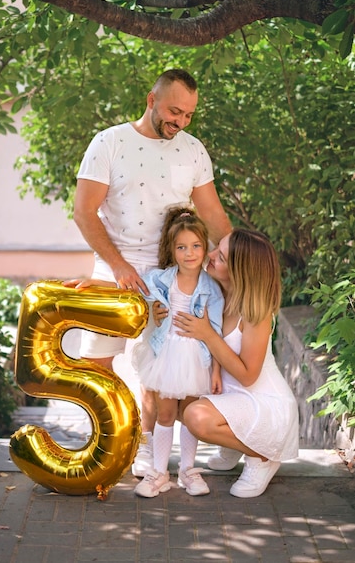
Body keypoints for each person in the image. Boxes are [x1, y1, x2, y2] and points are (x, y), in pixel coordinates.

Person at [65, 68, 232, 477]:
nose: (181, 121)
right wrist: (118, 265)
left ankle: (145, 450)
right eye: (175, 110)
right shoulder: (109, 142)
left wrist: (241, 260)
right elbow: (84, 211)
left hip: (169, 273)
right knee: (99, 364)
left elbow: (210, 212)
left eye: (189, 114)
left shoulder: (193, 150)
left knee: (156, 369)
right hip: (114, 267)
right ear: (151, 99)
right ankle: (103, 444)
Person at [169, 228, 299, 498]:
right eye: (218, 248)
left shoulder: (256, 313)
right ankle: (235, 444)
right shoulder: (215, 293)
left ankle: (261, 455)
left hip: (264, 404)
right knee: (177, 401)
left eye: (222, 258)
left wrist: (207, 333)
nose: (211, 255)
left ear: (241, 271)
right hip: (232, 398)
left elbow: (248, 375)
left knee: (195, 416)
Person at [131, 207, 224, 498]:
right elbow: (141, 298)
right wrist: (153, 312)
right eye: (182, 247)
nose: (190, 253)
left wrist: (217, 370)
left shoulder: (212, 288)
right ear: (172, 250)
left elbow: (217, 331)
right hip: (166, 353)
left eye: (196, 246)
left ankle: (187, 470)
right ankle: (159, 471)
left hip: (197, 357)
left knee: (189, 413)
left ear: (205, 247)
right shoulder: (160, 279)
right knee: (166, 412)